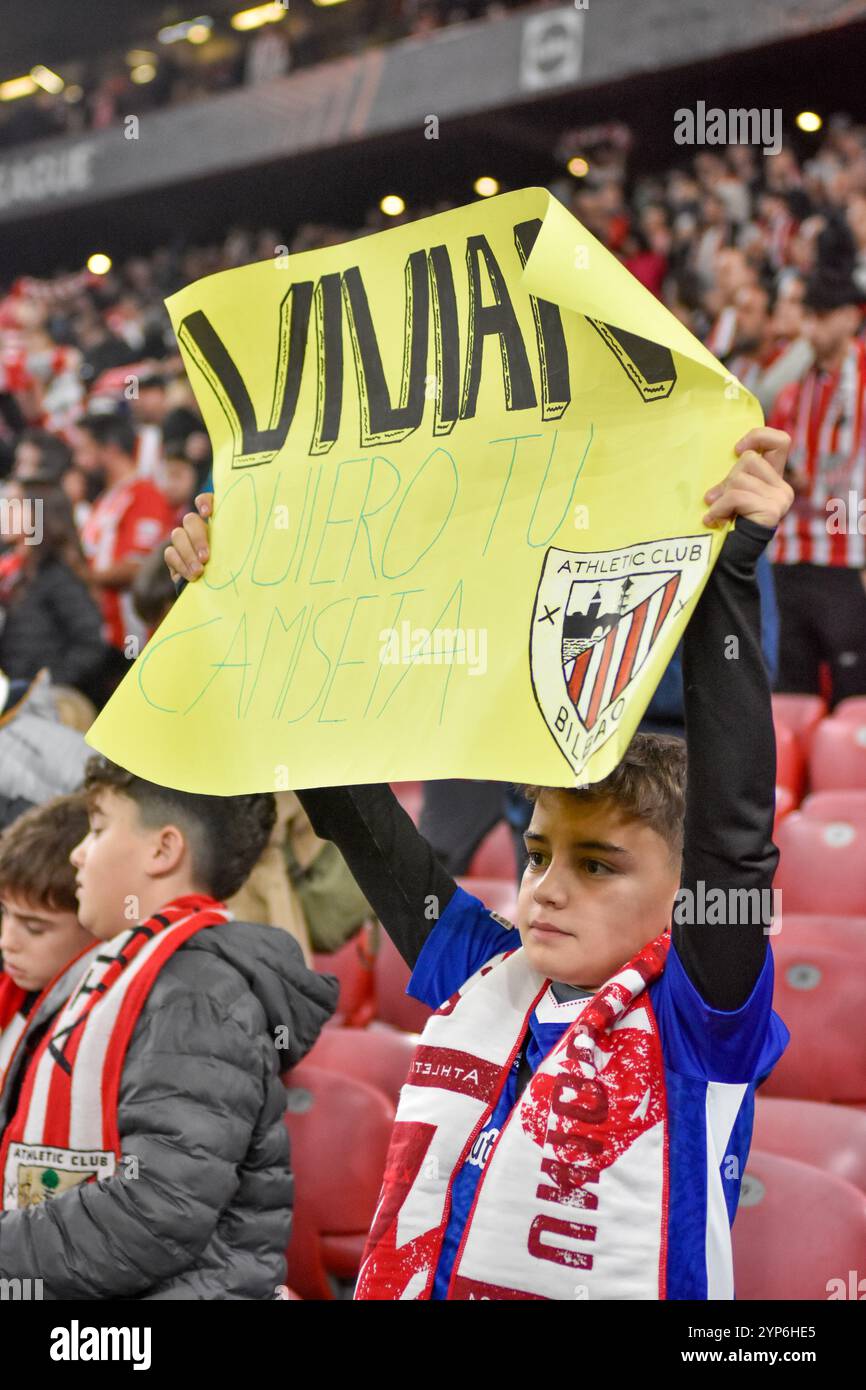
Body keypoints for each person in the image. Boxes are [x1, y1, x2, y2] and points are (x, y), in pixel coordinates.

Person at [166, 426, 794, 1300]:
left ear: (691, 899)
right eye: (537, 855)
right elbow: (350, 811)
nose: (547, 888)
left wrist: (730, 572)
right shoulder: (488, 970)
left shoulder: (701, 1014)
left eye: (600, 865)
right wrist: (238, 601)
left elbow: (733, 835)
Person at [0, 758, 337, 1298]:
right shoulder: (118, 969)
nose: (77, 853)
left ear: (163, 850)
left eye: (99, 828)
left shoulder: (198, 994)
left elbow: (154, 1213)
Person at [768, 264, 866, 703]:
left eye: (823, 315)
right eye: (809, 314)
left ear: (850, 316)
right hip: (789, 556)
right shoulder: (792, 382)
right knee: (793, 695)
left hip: (848, 558)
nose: (811, 325)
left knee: (854, 696)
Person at [75, 413, 174, 701]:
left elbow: (139, 568)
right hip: (103, 637)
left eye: (85, 450)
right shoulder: (107, 498)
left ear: (110, 449)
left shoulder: (145, 495)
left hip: (132, 642)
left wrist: (80, 576)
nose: (78, 460)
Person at [0, 793, 95, 1092]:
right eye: (5, 912)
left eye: (34, 928)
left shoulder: (81, 1040)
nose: (7, 942)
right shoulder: (12, 983)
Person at [0, 482, 106, 694]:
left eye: (15, 504)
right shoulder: (14, 571)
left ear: (40, 514)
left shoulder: (57, 574)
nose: (4, 512)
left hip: (40, 708)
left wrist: (44, 688)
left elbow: (91, 643)